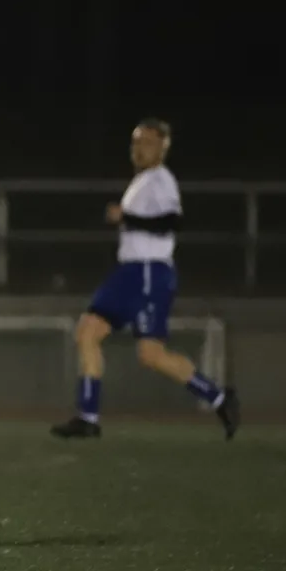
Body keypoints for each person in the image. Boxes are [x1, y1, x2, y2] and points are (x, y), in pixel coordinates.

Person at [52, 119, 240, 440]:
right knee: (87, 332)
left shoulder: (161, 180)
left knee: (151, 354)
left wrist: (126, 217)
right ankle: (88, 417)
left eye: (148, 143)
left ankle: (219, 398)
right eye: (136, 142)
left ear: (163, 148)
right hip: (128, 273)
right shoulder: (141, 182)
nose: (139, 149)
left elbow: (172, 222)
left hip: (149, 272)